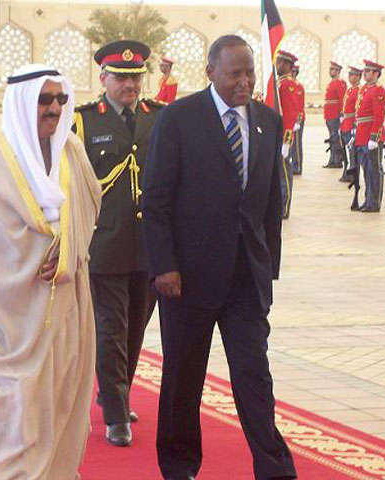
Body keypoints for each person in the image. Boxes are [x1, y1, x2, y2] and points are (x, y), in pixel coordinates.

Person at [143, 34, 297, 480]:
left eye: (249, 73)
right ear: (211, 72)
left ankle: (275, 468)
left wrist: (268, 267)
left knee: (253, 374)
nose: (244, 82)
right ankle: (179, 466)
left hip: (246, 278)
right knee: (183, 378)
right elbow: (156, 198)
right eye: (234, 74)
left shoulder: (268, 121)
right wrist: (164, 265)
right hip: (187, 278)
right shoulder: (178, 119)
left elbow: (270, 203)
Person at [0, 65, 101, 478]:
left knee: (59, 401)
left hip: (64, 307)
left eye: (60, 99)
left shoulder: (72, 153)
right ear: (23, 102)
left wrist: (67, 246)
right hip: (2, 315)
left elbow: (91, 208)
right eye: (45, 100)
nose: (54, 108)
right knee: (8, 413)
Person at [72, 39, 164, 447]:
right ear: (103, 78)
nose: (130, 85)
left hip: (149, 244)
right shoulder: (83, 122)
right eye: (121, 78)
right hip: (105, 243)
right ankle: (115, 413)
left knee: (135, 328)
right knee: (111, 328)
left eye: (136, 77)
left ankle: (116, 391)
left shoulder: (158, 117)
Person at [354, 60, 385, 213]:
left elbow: (379, 116)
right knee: (366, 170)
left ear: (376, 73)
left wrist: (374, 137)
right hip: (362, 134)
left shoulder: (379, 91)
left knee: (374, 170)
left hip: (371, 136)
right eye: (364, 71)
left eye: (367, 71)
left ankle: (374, 202)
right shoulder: (364, 89)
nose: (364, 74)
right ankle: (368, 200)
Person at [276, 50, 300, 219]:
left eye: (279, 62)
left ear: (286, 65)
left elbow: (290, 114)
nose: (277, 65)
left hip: (283, 135)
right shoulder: (280, 83)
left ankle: (284, 207)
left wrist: (286, 141)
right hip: (276, 133)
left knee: (284, 172)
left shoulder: (288, 84)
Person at [339, 66, 362, 183]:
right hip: (345, 123)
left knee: (352, 151)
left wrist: (355, 126)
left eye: (353, 75)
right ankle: (347, 172)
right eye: (350, 75)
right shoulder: (350, 90)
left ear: (358, 77)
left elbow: (358, 109)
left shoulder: (359, 90)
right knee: (347, 151)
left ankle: (353, 174)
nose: (351, 77)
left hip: (351, 123)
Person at [323, 61, 347, 168]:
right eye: (330, 69)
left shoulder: (340, 83)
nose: (331, 71)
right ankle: (332, 160)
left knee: (336, 138)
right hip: (329, 114)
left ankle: (338, 160)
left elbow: (342, 99)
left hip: (335, 114)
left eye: (333, 69)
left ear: (338, 71)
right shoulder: (331, 83)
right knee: (332, 138)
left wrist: (341, 113)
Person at [290, 65, 305, 176]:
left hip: (296, 119)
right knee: (291, 143)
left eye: (293, 72)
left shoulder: (298, 86)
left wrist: (298, 121)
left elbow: (300, 105)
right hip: (290, 118)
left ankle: (297, 166)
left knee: (296, 144)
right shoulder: (290, 85)